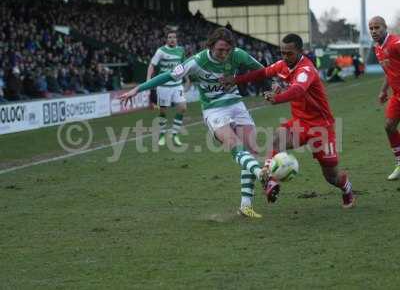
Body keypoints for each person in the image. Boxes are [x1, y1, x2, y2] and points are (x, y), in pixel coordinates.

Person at [120, 27, 268, 218]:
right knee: (233, 144)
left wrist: (271, 84)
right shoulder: (197, 62)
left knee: (253, 151)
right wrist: (138, 89)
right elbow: (167, 75)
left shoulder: (238, 55)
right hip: (214, 110)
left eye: (227, 50)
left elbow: (263, 71)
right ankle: (260, 172)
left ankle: (246, 206)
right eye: (220, 50)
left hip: (237, 105)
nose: (224, 54)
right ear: (210, 46)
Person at [221, 33, 356, 208]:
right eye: (282, 53)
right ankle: (269, 180)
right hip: (300, 122)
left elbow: (298, 90)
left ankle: (346, 188)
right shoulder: (283, 65)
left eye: (289, 53)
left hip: (321, 127)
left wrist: (277, 98)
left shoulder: (305, 70)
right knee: (276, 139)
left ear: (300, 51)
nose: (285, 57)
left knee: (331, 176)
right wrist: (236, 80)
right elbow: (262, 72)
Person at [369, 16, 400, 180]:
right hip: (396, 95)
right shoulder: (378, 48)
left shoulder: (396, 43)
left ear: (385, 27)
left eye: (377, 27)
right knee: (389, 127)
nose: (374, 31)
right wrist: (383, 91)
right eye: (371, 28)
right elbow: (389, 72)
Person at [147, 30, 189, 147]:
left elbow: (183, 66)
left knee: (183, 108)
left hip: (177, 85)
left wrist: (187, 79)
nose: (172, 39)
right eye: (170, 37)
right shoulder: (161, 51)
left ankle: (174, 134)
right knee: (163, 111)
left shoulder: (180, 50)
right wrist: (148, 79)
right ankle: (161, 135)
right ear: (166, 39)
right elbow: (152, 65)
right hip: (164, 86)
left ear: (177, 39)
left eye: (174, 37)